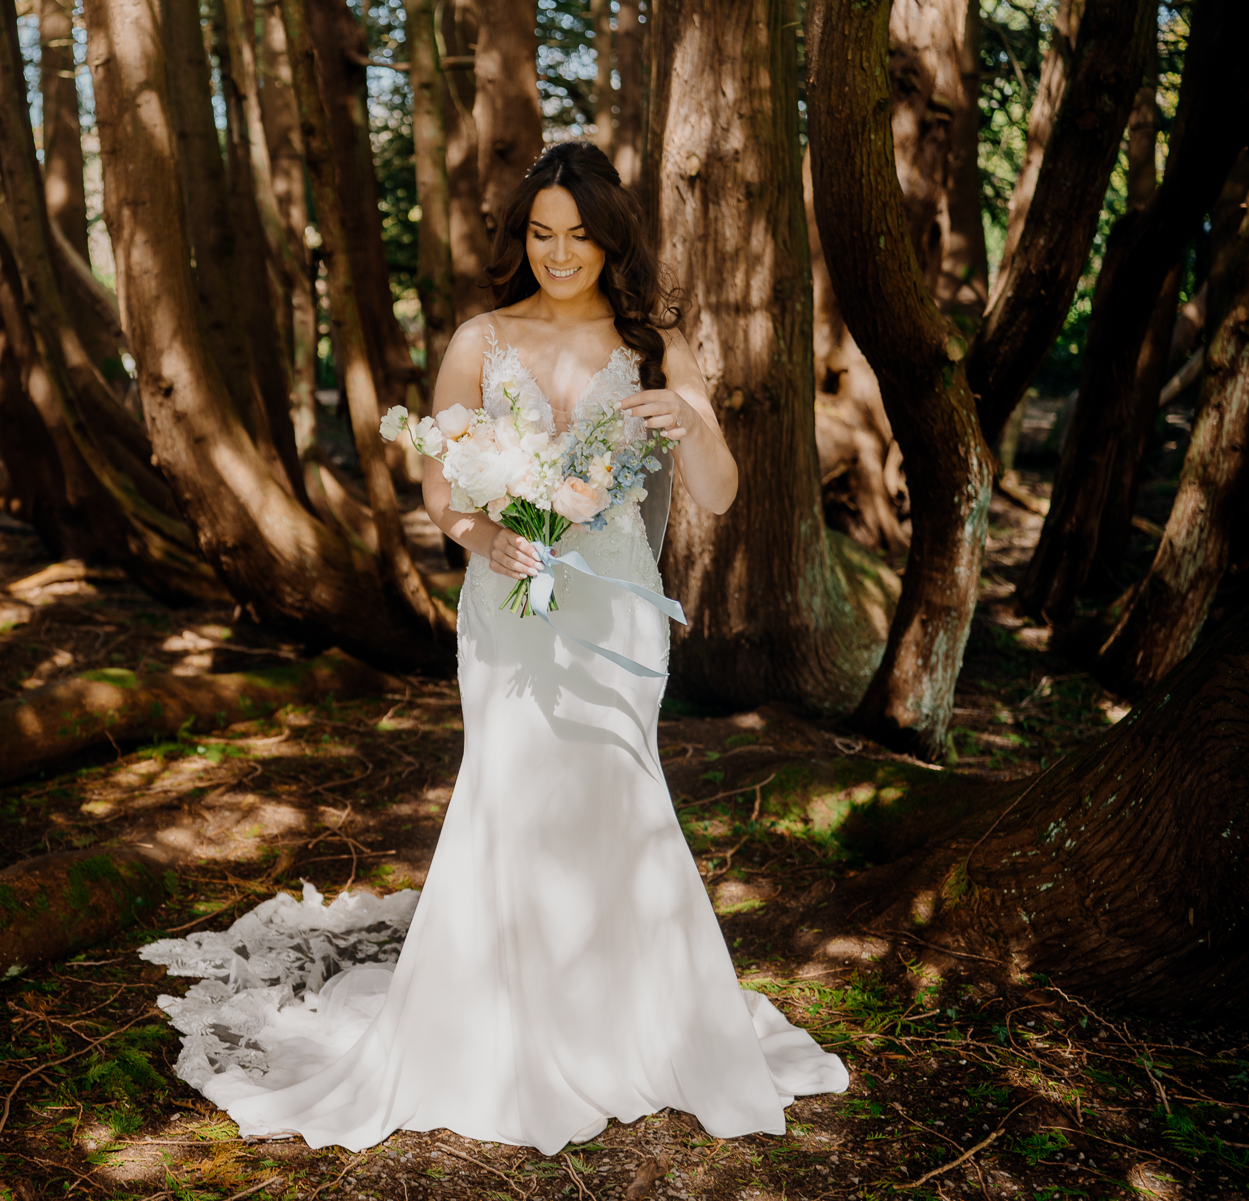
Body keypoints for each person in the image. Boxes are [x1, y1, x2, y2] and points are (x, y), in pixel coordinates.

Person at [140, 141, 850, 1154]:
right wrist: (484, 533)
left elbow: (723, 489)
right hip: (506, 605)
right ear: (523, 238)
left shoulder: (653, 344)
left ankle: (629, 1018)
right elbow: (440, 486)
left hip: (614, 613)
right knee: (509, 791)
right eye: (542, 233)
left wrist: (684, 410)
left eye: (581, 236)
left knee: (619, 793)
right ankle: (497, 1026)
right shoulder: (482, 337)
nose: (561, 254)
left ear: (613, 241)